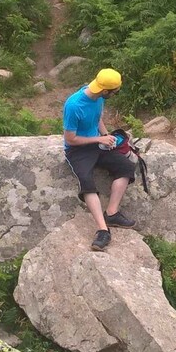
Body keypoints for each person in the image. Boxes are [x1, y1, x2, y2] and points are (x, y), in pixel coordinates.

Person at [63, 68, 137, 251]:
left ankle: (112, 212)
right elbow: (70, 139)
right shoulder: (73, 106)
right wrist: (99, 139)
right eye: (115, 92)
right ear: (105, 90)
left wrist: (107, 136)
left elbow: (97, 119)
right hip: (78, 150)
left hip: (98, 143)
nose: (115, 94)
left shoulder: (98, 97)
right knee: (87, 181)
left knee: (126, 167)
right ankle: (103, 230)